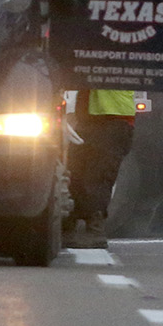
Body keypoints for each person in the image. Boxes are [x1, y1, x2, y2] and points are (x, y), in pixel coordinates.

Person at [65, 89, 138, 249]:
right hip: (90, 119)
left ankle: (95, 230)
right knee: (74, 173)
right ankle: (68, 227)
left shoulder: (109, 65)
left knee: (98, 176)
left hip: (114, 118)